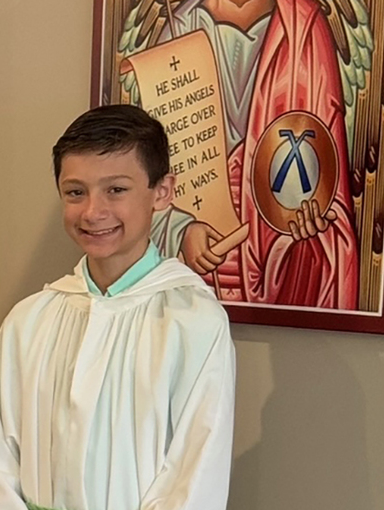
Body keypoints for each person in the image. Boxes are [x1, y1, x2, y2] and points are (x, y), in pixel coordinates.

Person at [0, 105, 235, 510]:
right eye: (75, 192)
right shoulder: (30, 320)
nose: (93, 211)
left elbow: (193, 489)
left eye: (116, 189)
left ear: (162, 192)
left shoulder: (192, 322)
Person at [141, 0, 358, 309]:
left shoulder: (304, 30)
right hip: (191, 280)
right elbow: (142, 175)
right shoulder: (180, 26)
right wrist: (180, 229)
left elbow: (327, 169)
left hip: (274, 258)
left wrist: (313, 220)